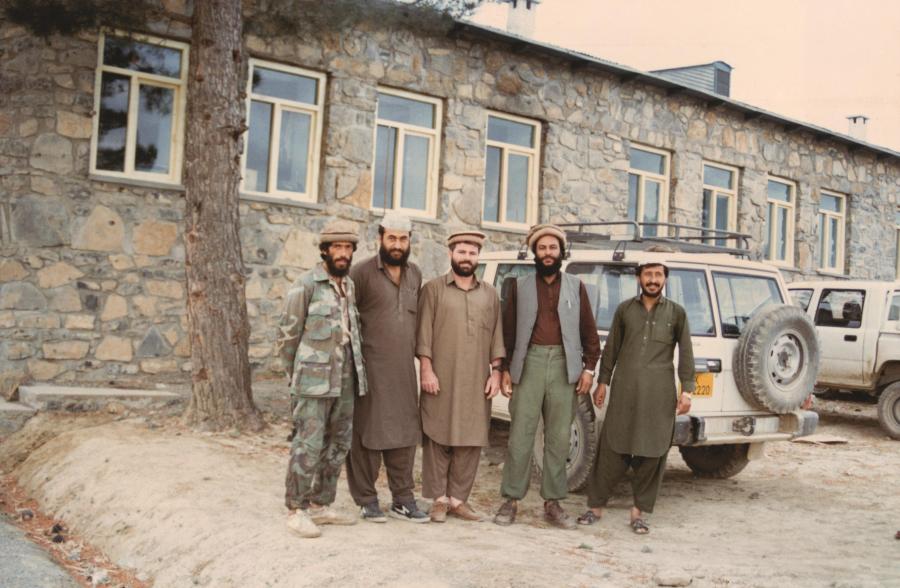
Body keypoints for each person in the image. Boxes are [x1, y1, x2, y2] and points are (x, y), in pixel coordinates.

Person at [493, 224, 601, 529]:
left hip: (565, 367)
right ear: (534, 253)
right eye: (542, 248)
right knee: (521, 436)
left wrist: (589, 370)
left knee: (559, 438)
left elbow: (589, 334)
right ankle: (510, 500)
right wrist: (503, 370)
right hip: (529, 364)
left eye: (553, 248)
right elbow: (509, 330)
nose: (548, 253)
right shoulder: (519, 286)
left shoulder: (576, 287)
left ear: (562, 252)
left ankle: (553, 503)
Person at [577, 257, 695, 534]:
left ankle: (639, 513)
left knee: (653, 452)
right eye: (648, 274)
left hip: (659, 394)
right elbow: (612, 349)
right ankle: (595, 507)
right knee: (612, 447)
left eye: (658, 274)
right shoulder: (624, 310)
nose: (653, 280)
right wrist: (602, 382)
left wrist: (686, 390)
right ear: (638, 277)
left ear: (665, 278)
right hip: (625, 391)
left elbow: (687, 353)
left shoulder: (677, 313)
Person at [276, 220, 368, 538]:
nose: (343, 253)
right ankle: (296, 509)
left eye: (348, 248)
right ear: (325, 250)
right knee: (309, 444)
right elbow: (288, 335)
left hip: (345, 376)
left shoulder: (349, 285)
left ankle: (321, 504)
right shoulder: (307, 284)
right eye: (337, 247)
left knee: (339, 443)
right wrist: (295, 378)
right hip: (312, 380)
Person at [416, 230, 505, 523]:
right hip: (441, 375)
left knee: (471, 437)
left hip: (476, 378)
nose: (467, 258)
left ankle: (458, 500)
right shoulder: (433, 289)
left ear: (478, 257)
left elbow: (496, 337)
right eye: (462, 252)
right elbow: (424, 333)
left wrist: (496, 372)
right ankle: (439, 500)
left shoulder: (490, 294)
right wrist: (426, 369)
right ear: (451, 254)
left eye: (472, 253)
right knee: (436, 434)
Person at [345, 212, 428, 523]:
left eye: (403, 239)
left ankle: (403, 500)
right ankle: (367, 499)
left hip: (404, 372)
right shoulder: (361, 274)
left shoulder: (415, 274)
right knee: (367, 435)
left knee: (405, 435)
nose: (397, 244)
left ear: (409, 241)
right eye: (391, 238)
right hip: (369, 371)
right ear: (380, 238)